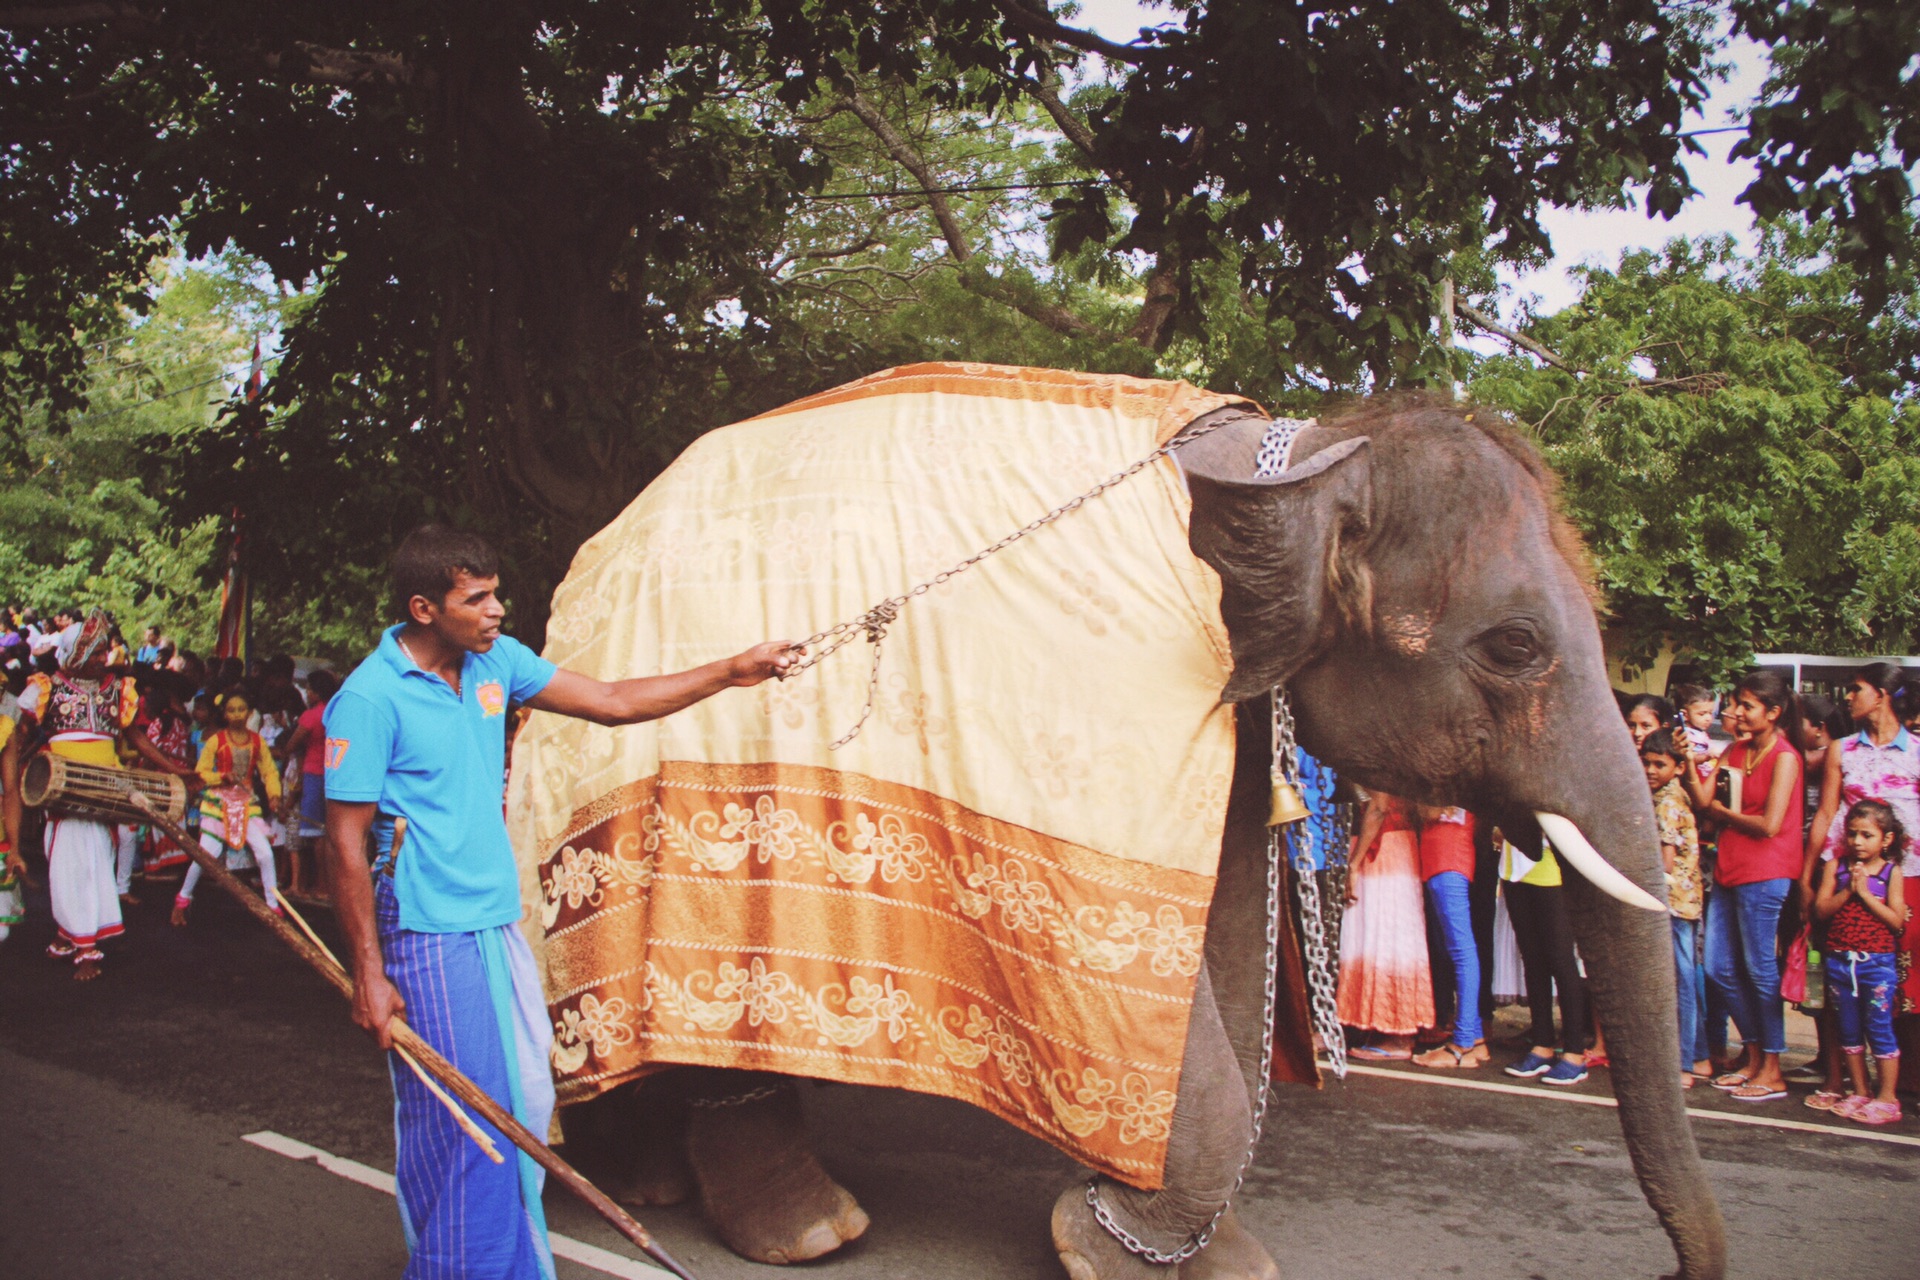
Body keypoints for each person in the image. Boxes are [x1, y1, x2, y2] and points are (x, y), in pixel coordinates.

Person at [322, 524, 796, 1280]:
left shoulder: (492, 665)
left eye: (495, 592)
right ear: (422, 608)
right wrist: (369, 975)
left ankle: (502, 1267)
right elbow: (342, 845)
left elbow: (610, 701)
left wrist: (733, 671)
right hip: (428, 933)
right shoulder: (371, 699)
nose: (496, 609)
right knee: (468, 1122)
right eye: (475, 598)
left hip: (493, 920)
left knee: (521, 1102)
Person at [1800, 663, 1920, 1093]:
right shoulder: (1843, 749)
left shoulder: (1917, 751)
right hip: (1843, 875)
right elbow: (1828, 814)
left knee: (1905, 980)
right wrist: (1808, 874)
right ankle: (1840, 1080)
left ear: (1883, 696)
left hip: (1907, 879)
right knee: (1841, 976)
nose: (1848, 698)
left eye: (1856, 689)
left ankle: (1904, 1084)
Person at [1696, 670, 1803, 1102]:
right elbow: (1703, 800)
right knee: (1717, 967)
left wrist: (1722, 813)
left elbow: (1770, 824)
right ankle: (1754, 1056)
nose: (1736, 712)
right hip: (1729, 869)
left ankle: (1772, 1066)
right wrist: (1689, 763)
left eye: (1747, 706)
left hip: (1766, 873)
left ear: (1773, 713)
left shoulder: (1786, 757)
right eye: (1737, 704)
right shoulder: (1735, 750)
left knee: (1759, 970)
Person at [16, 611, 139, 979]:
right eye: (98, 651)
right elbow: (21, 735)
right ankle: (80, 941)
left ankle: (80, 938)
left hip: (103, 790)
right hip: (63, 791)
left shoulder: (118, 689)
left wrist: (178, 770)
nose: (105, 658)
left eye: (105, 651)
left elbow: (136, 739)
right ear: (75, 652)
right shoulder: (45, 687)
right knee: (70, 864)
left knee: (94, 860)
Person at [1812, 800, 1908, 1125]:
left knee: (1879, 1029)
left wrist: (1866, 894)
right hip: (1840, 962)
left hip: (1876, 964)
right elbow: (1821, 911)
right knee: (1848, 1029)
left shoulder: (1890, 873)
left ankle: (1888, 1097)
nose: (1856, 841)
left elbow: (1896, 921)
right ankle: (1860, 1091)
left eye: (1867, 835)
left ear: (1887, 839)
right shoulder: (1835, 868)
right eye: (1852, 834)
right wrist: (1849, 891)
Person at [1336, 790, 1434, 1059]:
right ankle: (1382, 1025)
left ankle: (1397, 1035)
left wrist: (1354, 864)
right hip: (1391, 843)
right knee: (1382, 935)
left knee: (1385, 935)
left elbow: (1378, 807)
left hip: (1384, 848)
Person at [172, 689, 283, 924]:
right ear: (224, 713)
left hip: (246, 804)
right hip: (218, 805)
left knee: (264, 852)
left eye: (241, 709)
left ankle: (273, 907)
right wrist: (221, 776)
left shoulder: (257, 741)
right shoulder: (216, 740)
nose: (236, 714)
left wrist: (274, 795)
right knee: (206, 856)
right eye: (231, 710)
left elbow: (269, 771)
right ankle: (182, 900)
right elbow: (201, 772)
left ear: (250, 712)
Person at [1498, 830, 1591, 1085]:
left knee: (1561, 960)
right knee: (1532, 959)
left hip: (1553, 868)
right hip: (1513, 867)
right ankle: (1542, 1045)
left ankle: (1574, 1053)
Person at [1643, 729, 1704, 1088]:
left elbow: (1664, 863)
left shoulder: (1667, 801)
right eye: (1647, 762)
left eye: (1659, 764)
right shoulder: (1668, 796)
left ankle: (1683, 1063)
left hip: (1673, 903)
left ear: (1678, 767)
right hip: (1681, 901)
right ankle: (1690, 1058)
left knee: (1679, 982)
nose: (1650, 769)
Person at [1412, 805, 1483, 1068]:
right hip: (1441, 860)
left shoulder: (1448, 780)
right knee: (1453, 950)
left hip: (1449, 860)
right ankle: (1474, 1038)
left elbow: (1428, 812)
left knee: (1461, 951)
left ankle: (1462, 1043)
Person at [280, 668, 339, 902]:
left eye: (309, 689)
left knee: (315, 834)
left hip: (313, 773)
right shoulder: (336, 712)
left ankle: (321, 885)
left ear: (316, 692)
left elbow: (291, 745)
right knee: (327, 832)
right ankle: (321, 883)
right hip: (333, 772)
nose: (307, 693)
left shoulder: (311, 716)